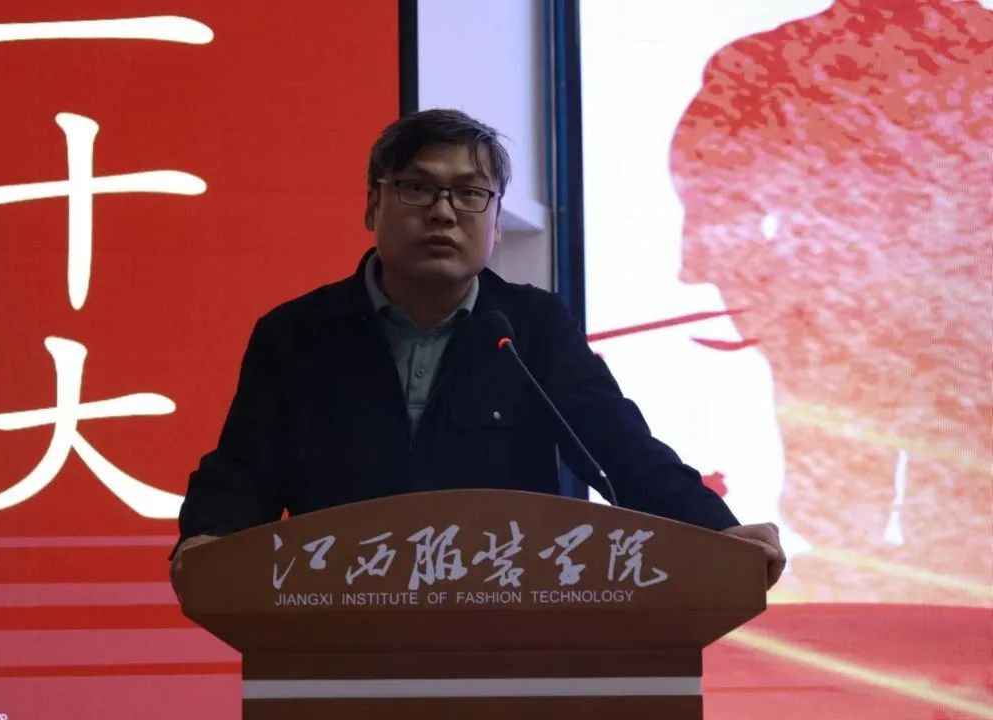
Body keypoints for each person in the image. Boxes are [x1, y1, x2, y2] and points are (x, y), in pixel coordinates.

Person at [169, 109, 784, 596]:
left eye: (469, 194)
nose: (443, 212)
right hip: (336, 619)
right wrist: (208, 539)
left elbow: (618, 449)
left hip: (506, 621)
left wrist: (719, 533)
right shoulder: (297, 332)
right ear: (372, 204)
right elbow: (244, 469)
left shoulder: (530, 326)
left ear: (495, 219)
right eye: (417, 189)